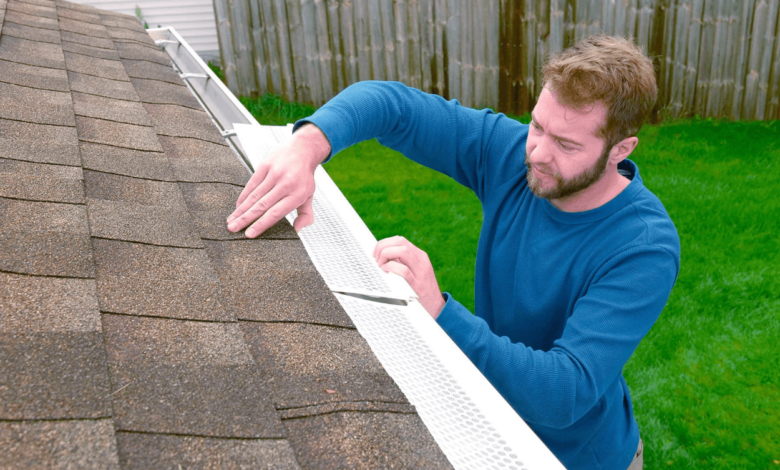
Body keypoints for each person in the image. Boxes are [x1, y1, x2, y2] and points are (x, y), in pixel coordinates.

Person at [226, 35, 679, 470]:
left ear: (620, 149)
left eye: (566, 144)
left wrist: (439, 310)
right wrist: (305, 149)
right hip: (487, 423)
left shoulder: (642, 246)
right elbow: (392, 106)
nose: (537, 153)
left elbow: (564, 392)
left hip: (575, 458)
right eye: (538, 126)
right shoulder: (509, 153)